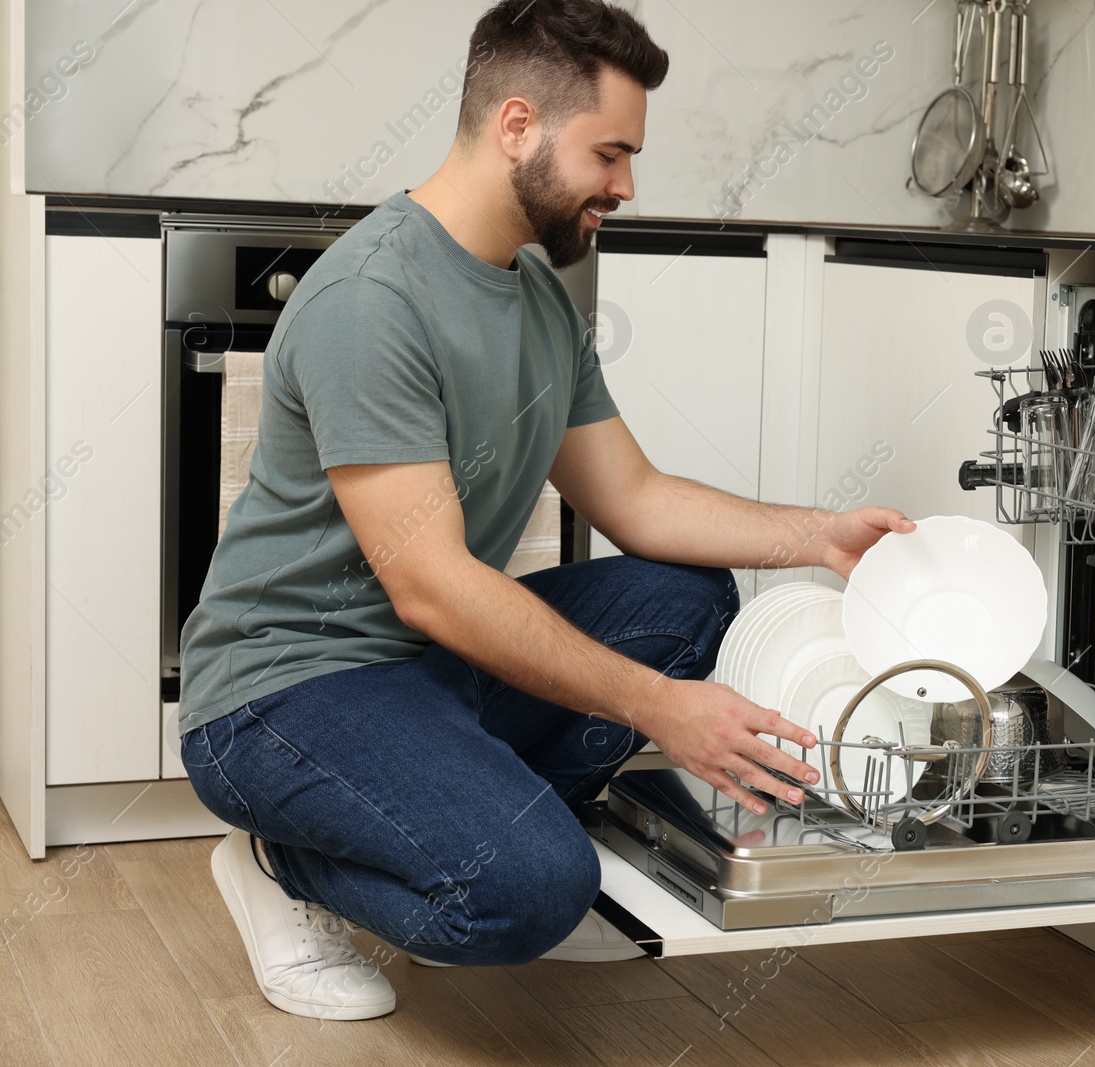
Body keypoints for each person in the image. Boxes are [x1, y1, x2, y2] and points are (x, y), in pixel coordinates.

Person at [177, 0, 915, 1021]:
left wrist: (817, 536)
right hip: (288, 689)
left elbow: (637, 500)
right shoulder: (373, 297)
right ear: (517, 126)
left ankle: (471, 813)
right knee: (528, 890)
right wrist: (660, 709)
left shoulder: (536, 295)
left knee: (685, 596)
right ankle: (283, 862)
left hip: (427, 670)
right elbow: (432, 583)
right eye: (609, 153)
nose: (624, 185)